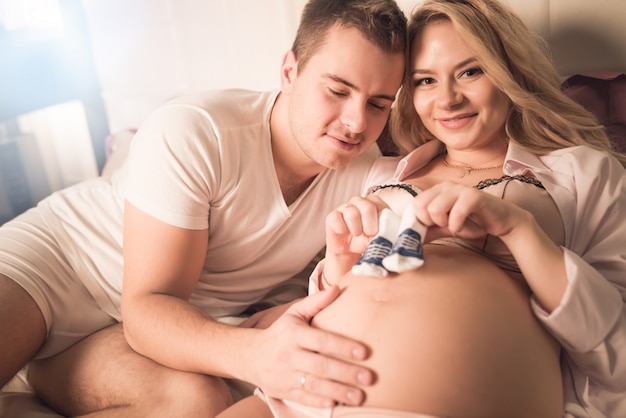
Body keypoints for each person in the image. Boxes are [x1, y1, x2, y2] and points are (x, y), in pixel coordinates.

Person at [212, 0, 626, 417]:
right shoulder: (380, 172)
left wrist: (517, 230)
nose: (446, 99)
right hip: (301, 399)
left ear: (508, 72)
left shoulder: (584, 173)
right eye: (425, 80)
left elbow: (617, 349)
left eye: (470, 71)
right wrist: (339, 259)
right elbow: (338, 295)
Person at [0, 0, 408, 416]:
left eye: (377, 103)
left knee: (196, 402)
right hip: (62, 263)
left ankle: (38, 373)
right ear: (289, 71)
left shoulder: (366, 170)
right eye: (337, 91)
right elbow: (149, 304)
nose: (356, 121)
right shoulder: (198, 129)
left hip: (142, 329)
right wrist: (258, 354)